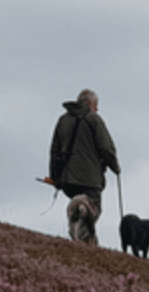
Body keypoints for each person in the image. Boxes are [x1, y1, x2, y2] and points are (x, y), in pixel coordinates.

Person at [48, 89, 120, 245]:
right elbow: (106, 147)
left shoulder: (63, 120)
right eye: (96, 104)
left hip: (68, 180)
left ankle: (81, 235)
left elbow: (54, 150)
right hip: (90, 179)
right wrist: (115, 167)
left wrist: (55, 177)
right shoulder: (94, 119)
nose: (97, 108)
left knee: (77, 207)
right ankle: (82, 224)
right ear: (88, 103)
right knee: (93, 209)